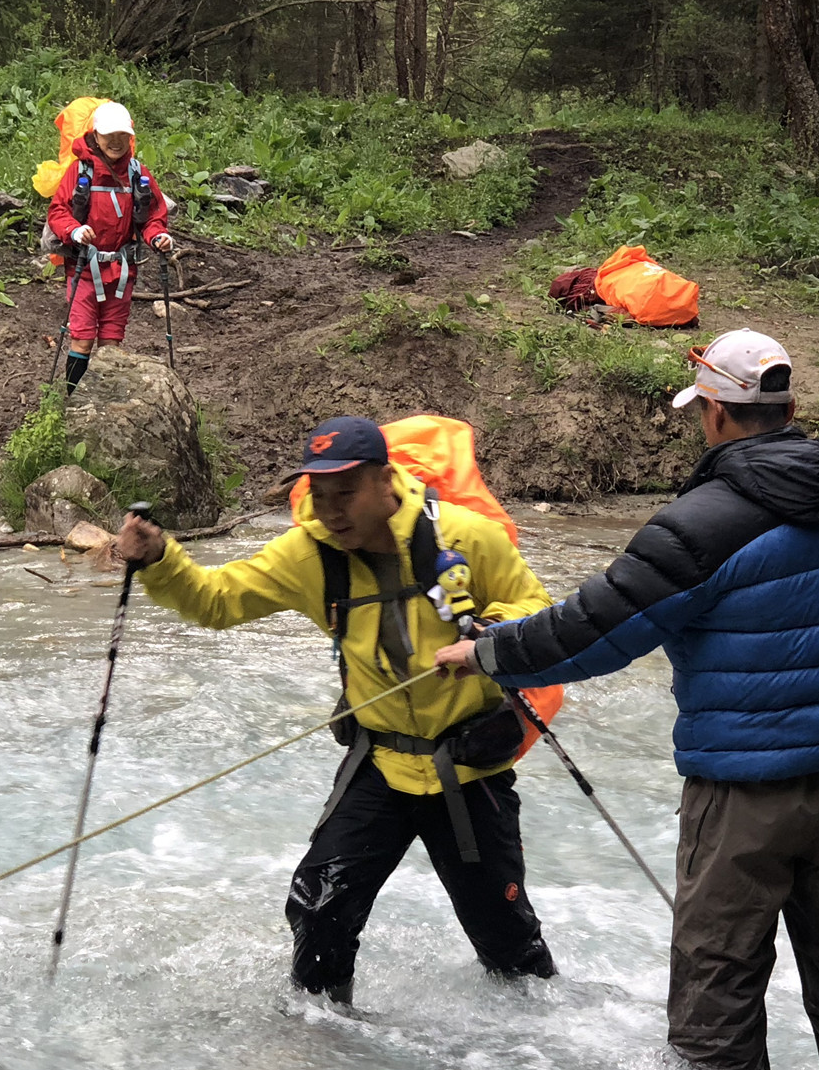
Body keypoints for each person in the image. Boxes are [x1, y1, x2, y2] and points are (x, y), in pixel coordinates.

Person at [435, 330, 819, 1070]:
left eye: (701, 408)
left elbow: (594, 632)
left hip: (743, 793)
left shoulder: (703, 522)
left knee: (715, 995)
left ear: (718, 417)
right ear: (790, 410)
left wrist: (489, 653)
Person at [113, 416, 559, 1006]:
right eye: (319, 495)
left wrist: (488, 639)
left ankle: (532, 1052)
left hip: (469, 768)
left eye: (345, 493)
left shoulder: (466, 536)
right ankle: (323, 1045)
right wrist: (161, 558)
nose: (331, 510)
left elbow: (539, 610)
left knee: (508, 945)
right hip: (380, 764)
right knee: (317, 907)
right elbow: (217, 601)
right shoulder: (309, 556)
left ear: (383, 481)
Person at [46, 101, 173, 392]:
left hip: (121, 271)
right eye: (108, 136)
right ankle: (73, 399)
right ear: (96, 136)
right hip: (83, 270)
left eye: (121, 135)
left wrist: (157, 237)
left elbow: (153, 215)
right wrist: (74, 231)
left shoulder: (137, 173)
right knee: (81, 336)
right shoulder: (81, 171)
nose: (115, 142)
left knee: (112, 340)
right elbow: (58, 212)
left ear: (129, 136)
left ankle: (101, 405)